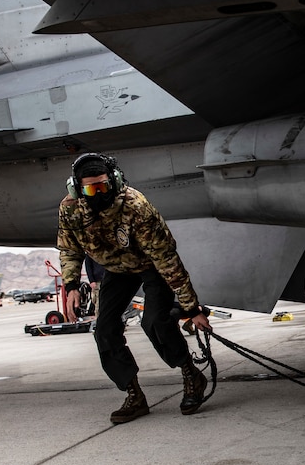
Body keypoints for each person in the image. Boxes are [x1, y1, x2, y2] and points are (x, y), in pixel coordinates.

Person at [57, 152, 211, 424]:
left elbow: (167, 260)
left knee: (155, 321)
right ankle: (134, 395)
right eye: (90, 189)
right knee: (104, 330)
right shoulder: (70, 209)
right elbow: (69, 249)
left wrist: (191, 308)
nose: (97, 194)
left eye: (103, 186)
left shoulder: (135, 207)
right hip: (117, 271)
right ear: (77, 188)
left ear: (114, 182)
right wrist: (70, 285)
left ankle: (192, 375)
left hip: (151, 265)